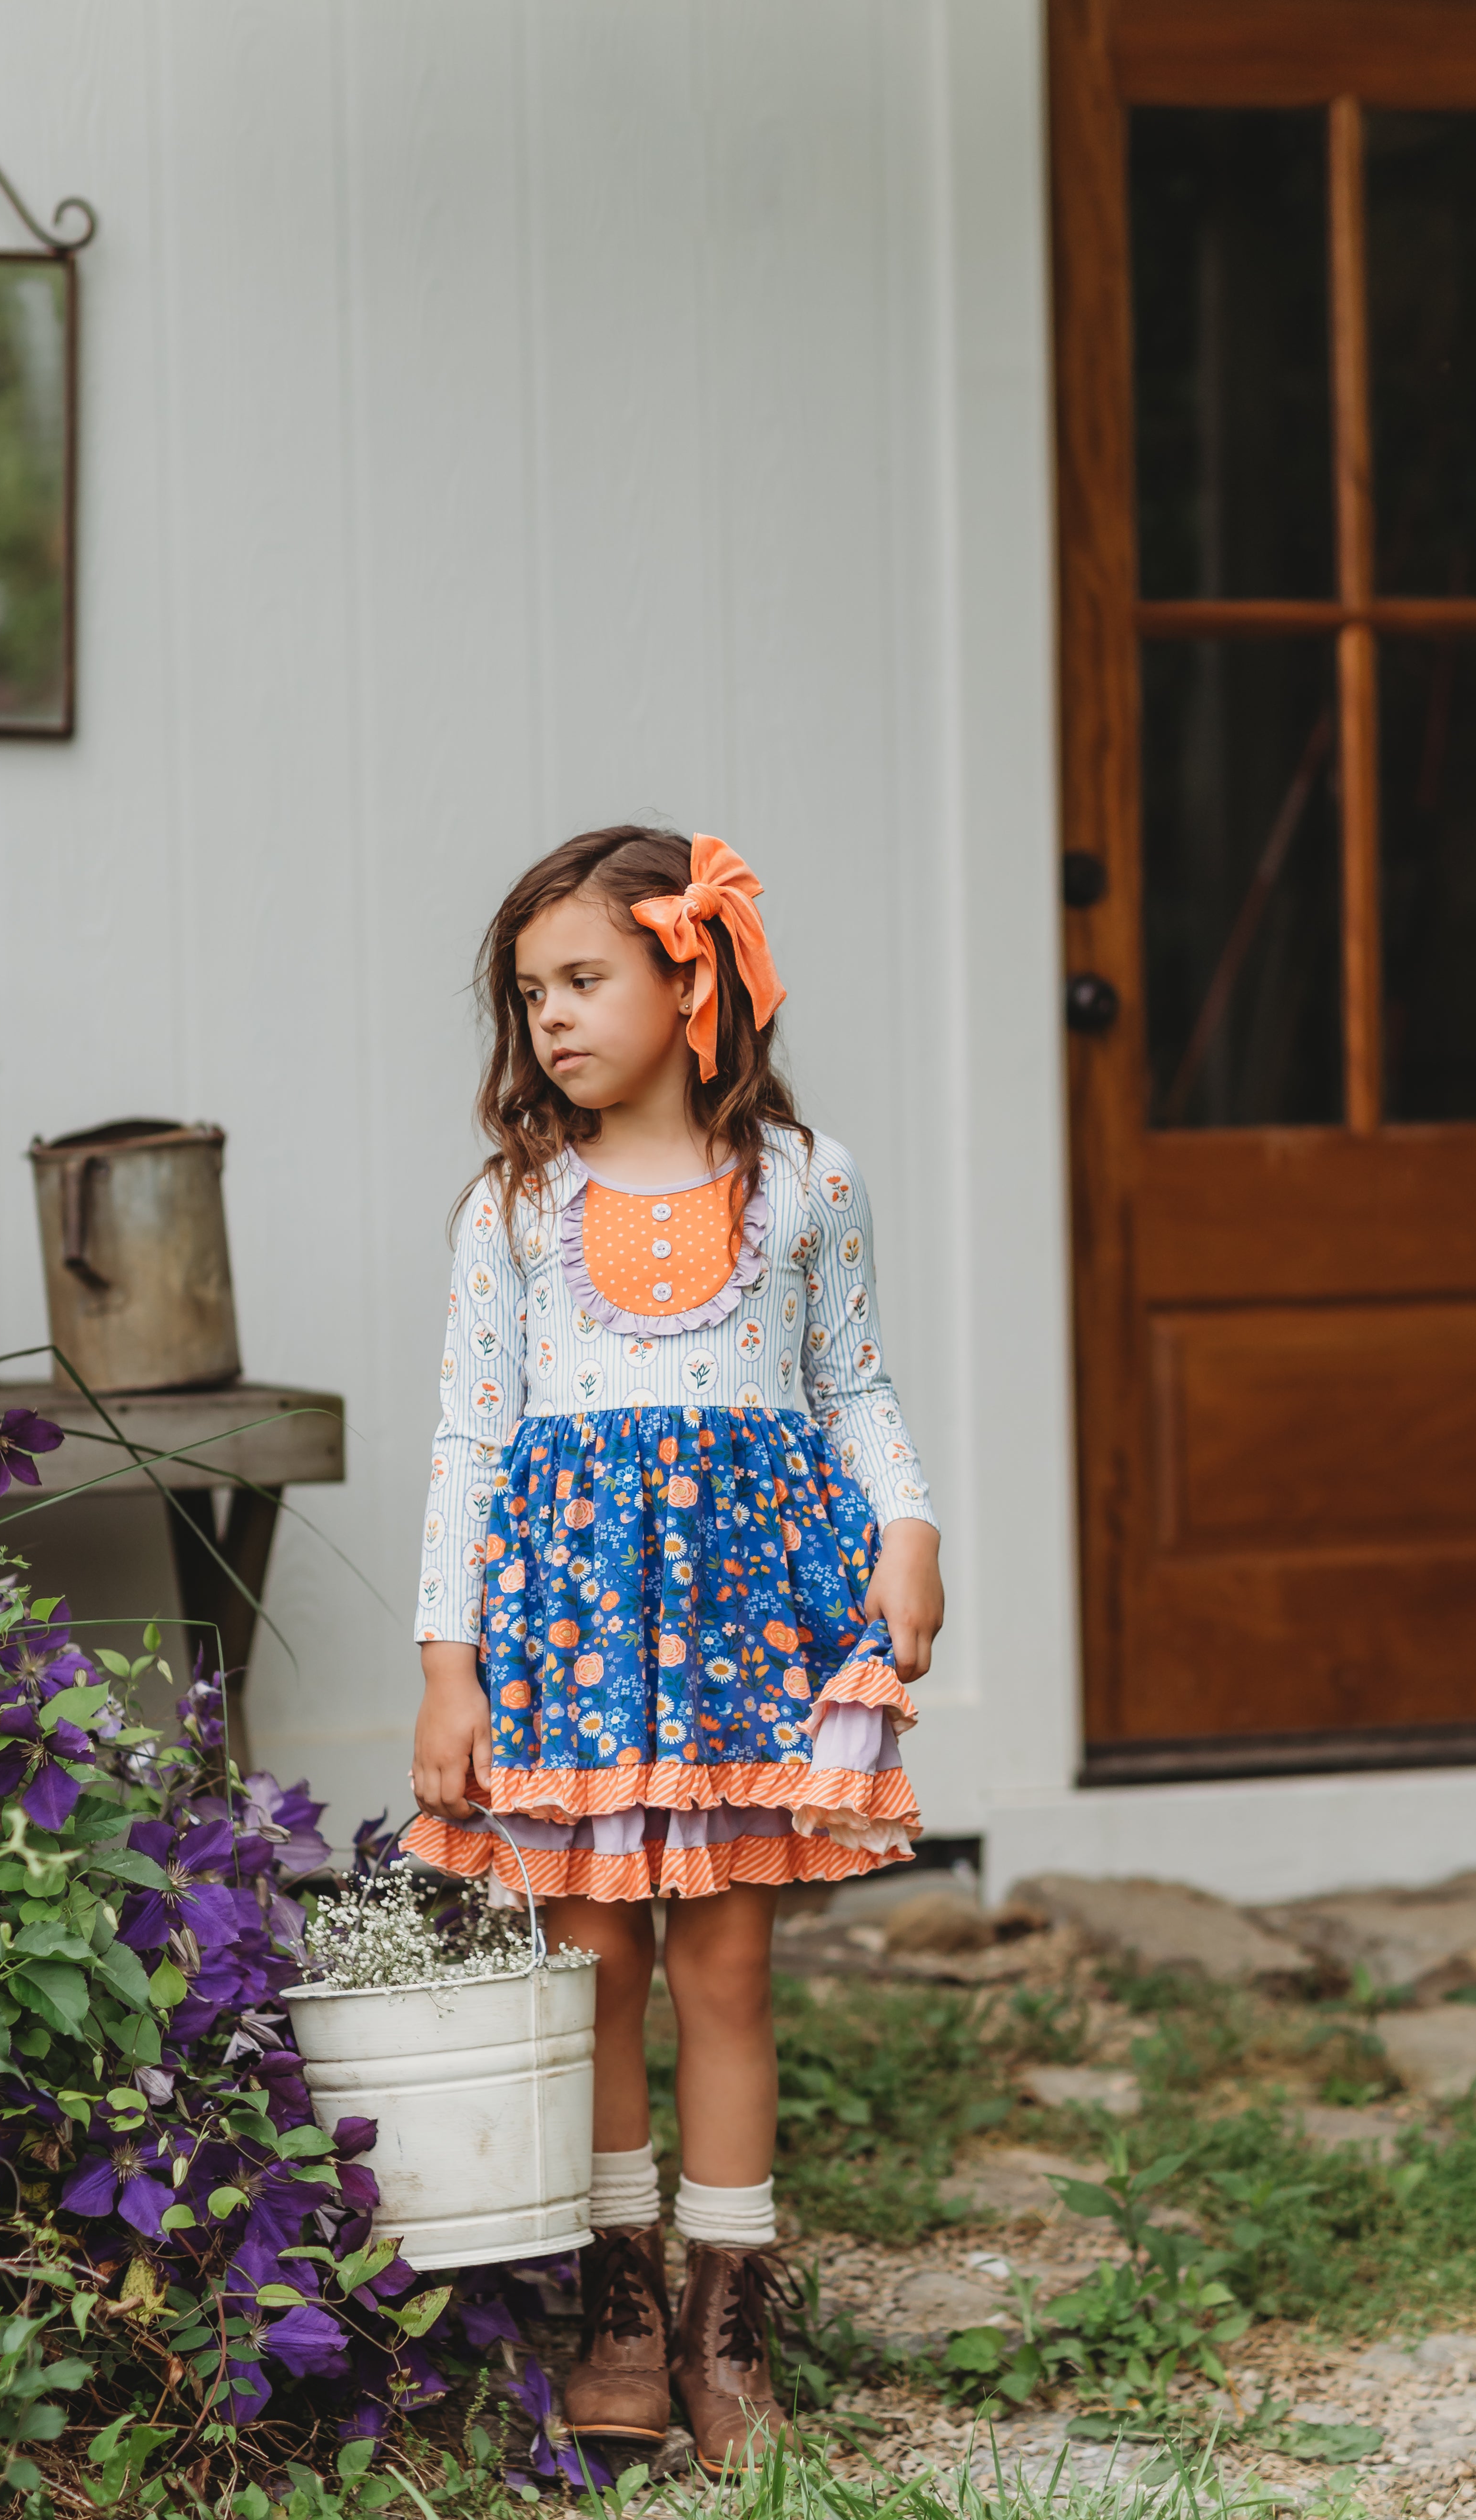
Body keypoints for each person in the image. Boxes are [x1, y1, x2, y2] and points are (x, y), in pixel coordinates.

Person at [407, 825, 942, 2474]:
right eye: (530, 994)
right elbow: (467, 1439)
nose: (552, 1019)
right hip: (569, 1640)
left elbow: (851, 1385)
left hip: (751, 1631)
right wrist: (450, 1662)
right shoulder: (515, 1204)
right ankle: (616, 2303)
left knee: (724, 1971)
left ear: (688, 975)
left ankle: (726, 2316)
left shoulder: (805, 1181)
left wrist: (907, 1529)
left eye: (584, 980)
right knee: (597, 1974)